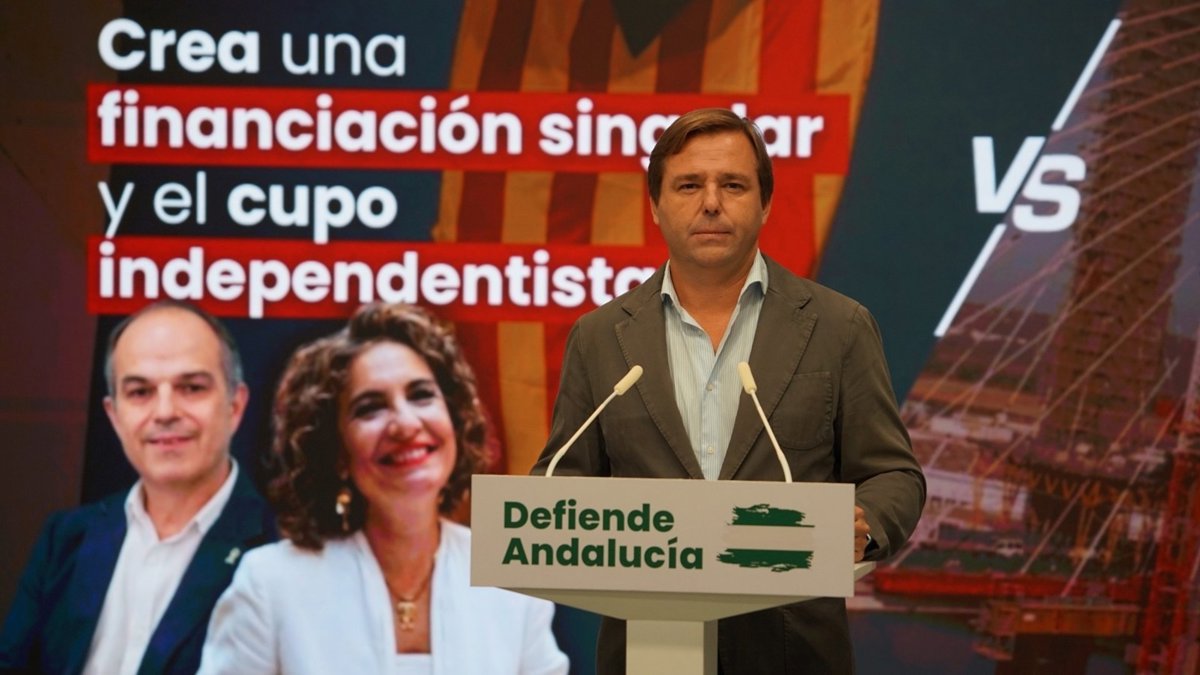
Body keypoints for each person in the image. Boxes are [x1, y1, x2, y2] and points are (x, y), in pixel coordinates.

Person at [531, 108, 926, 673]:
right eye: (689, 185)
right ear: (655, 205)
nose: (711, 203)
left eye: (733, 185)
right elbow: (560, 481)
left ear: (765, 204)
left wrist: (864, 521)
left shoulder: (839, 327)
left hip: (793, 648)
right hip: (649, 649)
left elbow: (895, 474)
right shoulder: (600, 337)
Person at [199, 303, 568, 674]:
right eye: (370, 408)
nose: (405, 424)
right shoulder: (271, 585)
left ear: (455, 421)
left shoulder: (510, 582)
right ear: (336, 451)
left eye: (421, 395)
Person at [0, 301, 276, 674]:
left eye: (191, 387)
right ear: (114, 416)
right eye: (140, 392)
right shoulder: (65, 540)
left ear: (235, 406)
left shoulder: (281, 549)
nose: (165, 412)